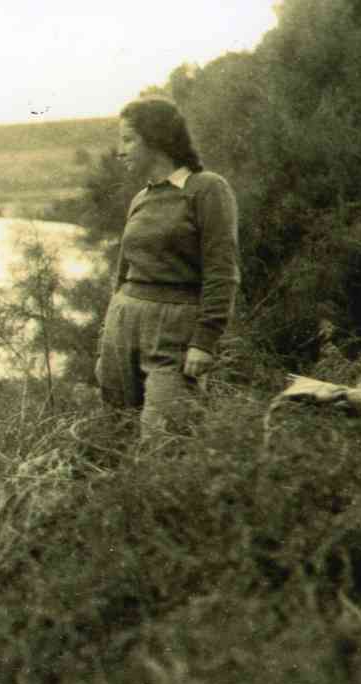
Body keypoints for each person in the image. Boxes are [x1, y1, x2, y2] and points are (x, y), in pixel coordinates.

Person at [95, 97, 240, 439]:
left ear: (156, 139)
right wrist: (107, 341)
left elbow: (223, 271)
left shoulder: (207, 189)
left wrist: (204, 341)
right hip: (123, 324)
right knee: (117, 432)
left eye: (128, 139)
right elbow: (123, 273)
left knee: (165, 437)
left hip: (174, 329)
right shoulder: (141, 198)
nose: (120, 151)